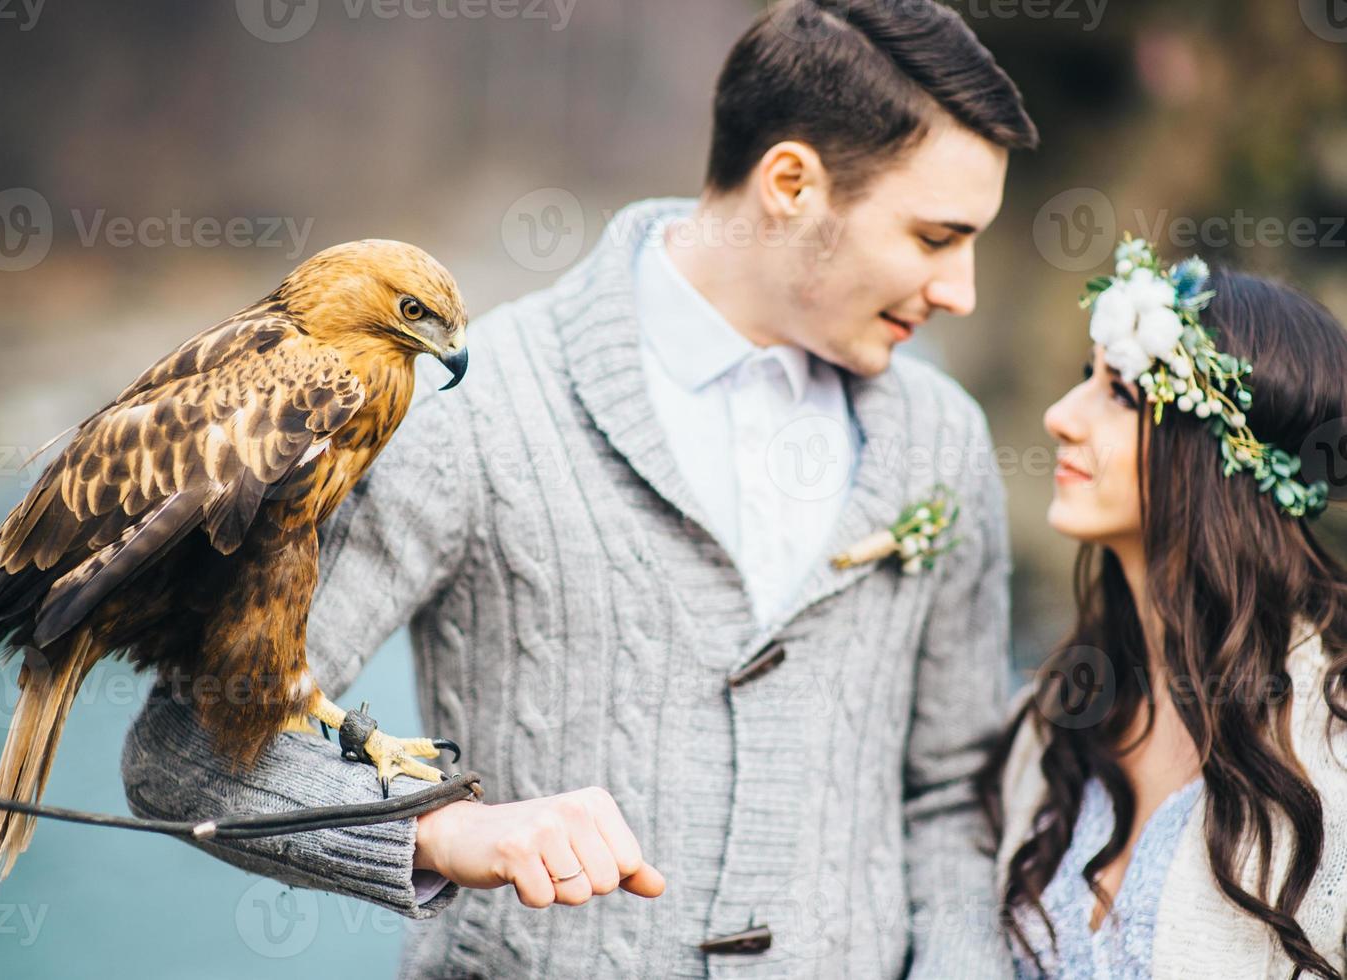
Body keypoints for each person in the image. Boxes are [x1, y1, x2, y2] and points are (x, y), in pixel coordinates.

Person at [122, 1, 1038, 975]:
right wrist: (434, 828)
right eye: (937, 238)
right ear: (790, 183)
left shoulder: (943, 436)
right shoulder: (468, 414)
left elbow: (951, 798)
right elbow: (184, 749)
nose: (962, 291)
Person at [977, 238, 1347, 978]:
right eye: (1087, 378)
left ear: (1221, 455)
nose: (1058, 416)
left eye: (1120, 393)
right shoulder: (1058, 718)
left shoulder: (1333, 743)